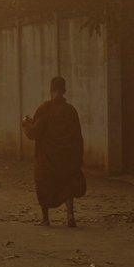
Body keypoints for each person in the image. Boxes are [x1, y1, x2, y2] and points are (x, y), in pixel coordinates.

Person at [22, 76, 86, 227]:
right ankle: (70, 215)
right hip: (67, 157)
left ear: (51, 90)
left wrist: (26, 123)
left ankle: (46, 219)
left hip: (47, 158)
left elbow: (34, 133)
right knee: (67, 184)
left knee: (43, 183)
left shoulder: (45, 109)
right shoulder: (71, 111)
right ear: (64, 91)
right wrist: (78, 157)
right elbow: (78, 136)